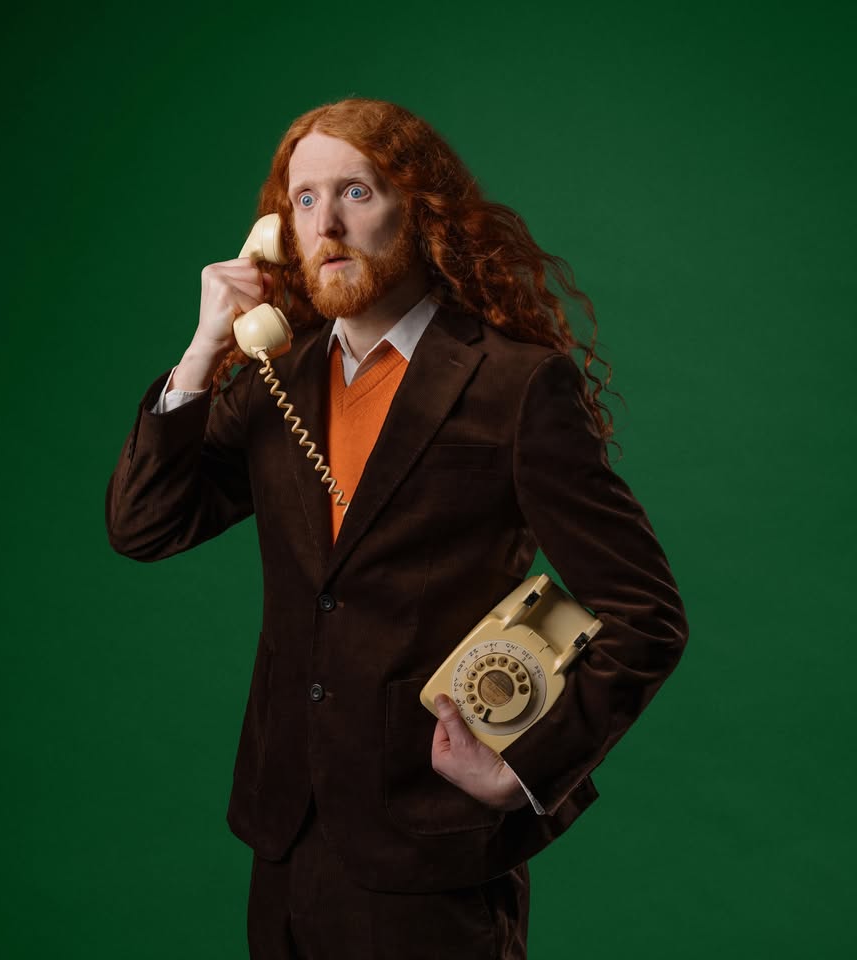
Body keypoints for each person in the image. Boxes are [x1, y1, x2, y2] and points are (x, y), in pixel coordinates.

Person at [106, 98, 687, 959]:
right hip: (285, 834)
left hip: (433, 844)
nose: (327, 225)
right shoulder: (274, 379)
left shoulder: (516, 385)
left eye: (357, 192)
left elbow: (647, 612)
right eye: (305, 200)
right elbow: (143, 525)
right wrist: (202, 352)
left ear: (419, 210)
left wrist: (524, 767)